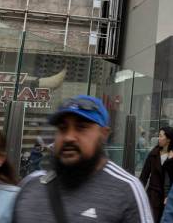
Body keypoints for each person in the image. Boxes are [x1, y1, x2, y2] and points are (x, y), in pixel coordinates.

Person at [13, 95, 153, 222]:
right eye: (62, 128)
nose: (69, 137)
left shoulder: (126, 190)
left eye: (81, 127)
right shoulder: (31, 186)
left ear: (104, 134)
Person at [139, 127, 173, 221]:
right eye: (158, 136)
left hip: (168, 197)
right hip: (153, 196)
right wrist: (139, 193)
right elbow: (144, 176)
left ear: (168, 139)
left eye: (161, 136)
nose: (158, 138)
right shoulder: (153, 154)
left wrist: (170, 161)